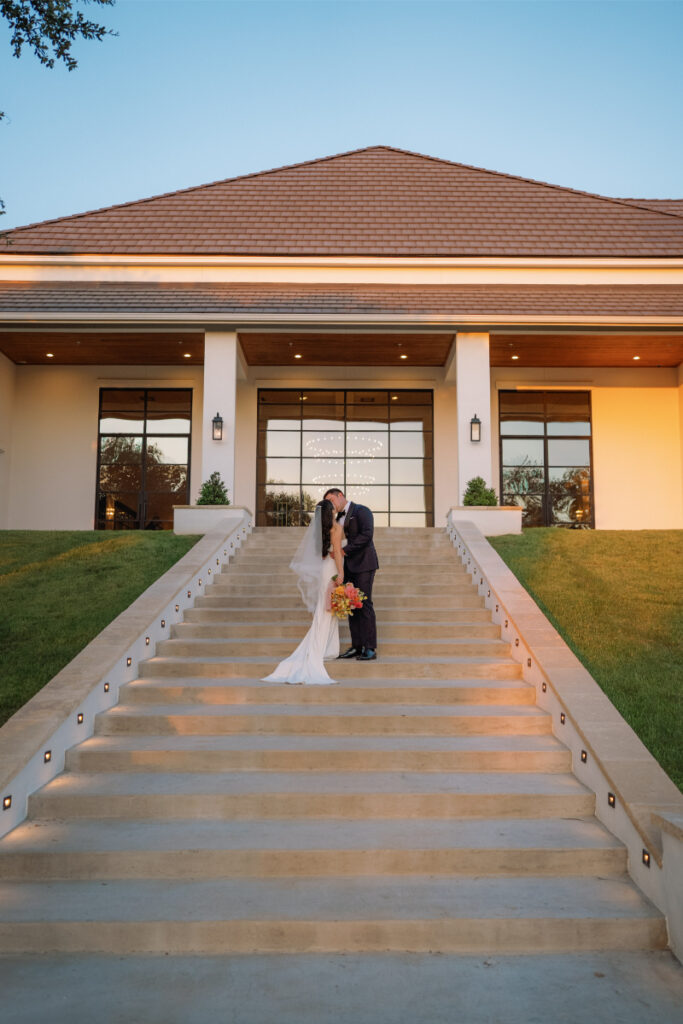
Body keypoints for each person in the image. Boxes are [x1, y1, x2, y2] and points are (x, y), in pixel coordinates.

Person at [261, 498, 344, 685]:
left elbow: (320, 552)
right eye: (333, 509)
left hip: (322, 568)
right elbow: (337, 553)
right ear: (330, 511)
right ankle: (323, 649)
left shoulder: (318, 531)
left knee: (325, 609)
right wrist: (341, 573)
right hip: (331, 568)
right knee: (328, 609)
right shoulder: (336, 528)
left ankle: (326, 647)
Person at [323, 487, 379, 662]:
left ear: (340, 496)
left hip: (364, 564)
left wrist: (344, 550)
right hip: (347, 567)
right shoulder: (335, 518)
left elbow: (367, 535)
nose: (331, 504)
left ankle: (370, 648)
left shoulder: (362, 511)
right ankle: (356, 646)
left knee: (364, 603)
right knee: (350, 605)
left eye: (332, 500)